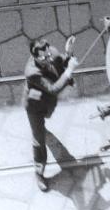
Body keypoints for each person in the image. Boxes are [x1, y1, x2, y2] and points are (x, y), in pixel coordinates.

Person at [23, 37, 78, 192]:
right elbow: (53, 88)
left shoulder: (51, 52)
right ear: (34, 57)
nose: (48, 58)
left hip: (48, 102)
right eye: (43, 57)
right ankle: (39, 172)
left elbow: (61, 63)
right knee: (38, 140)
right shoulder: (31, 72)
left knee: (43, 123)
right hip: (34, 106)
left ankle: (42, 128)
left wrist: (68, 52)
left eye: (48, 54)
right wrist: (69, 72)